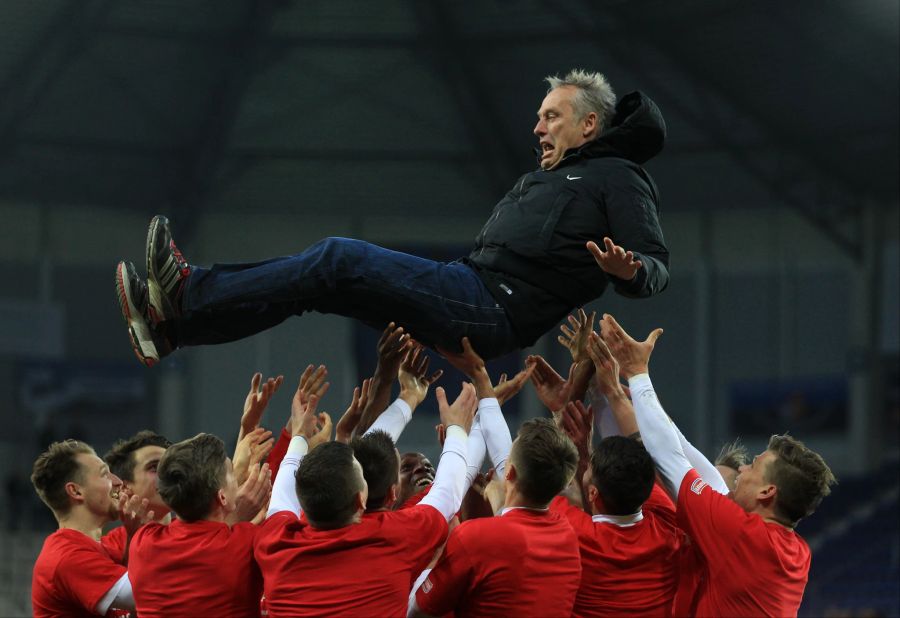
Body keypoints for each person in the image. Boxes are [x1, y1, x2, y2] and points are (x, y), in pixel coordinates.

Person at [115, 69, 669, 366]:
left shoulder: (618, 176)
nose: (537, 129)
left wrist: (629, 270)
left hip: (490, 308)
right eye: (539, 118)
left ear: (590, 124)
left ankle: (187, 292)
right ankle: (174, 330)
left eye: (551, 117)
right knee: (316, 284)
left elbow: (655, 263)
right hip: (472, 289)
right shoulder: (545, 178)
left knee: (337, 255)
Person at [599, 313, 836, 617]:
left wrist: (637, 373)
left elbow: (671, 459)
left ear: (767, 492)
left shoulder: (743, 536)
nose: (744, 471)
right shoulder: (794, 551)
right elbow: (683, 451)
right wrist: (628, 390)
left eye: (754, 465)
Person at [254, 378, 477, 616]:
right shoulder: (394, 537)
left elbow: (284, 490)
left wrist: (299, 435)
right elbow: (448, 493)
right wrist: (456, 427)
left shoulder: (275, 541)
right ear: (360, 501)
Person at [127, 433, 272, 617]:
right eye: (232, 473)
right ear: (221, 496)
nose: (237, 479)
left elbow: (203, 543)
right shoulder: (247, 541)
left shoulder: (142, 541)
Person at [30, 440, 151, 617]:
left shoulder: (109, 546)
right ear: (76, 492)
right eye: (104, 474)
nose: (117, 481)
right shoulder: (66, 558)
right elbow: (148, 595)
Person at [100, 430, 172, 563]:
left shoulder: (200, 531)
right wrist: (133, 539)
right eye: (154, 468)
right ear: (125, 487)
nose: (169, 474)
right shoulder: (108, 548)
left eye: (171, 466)